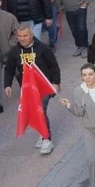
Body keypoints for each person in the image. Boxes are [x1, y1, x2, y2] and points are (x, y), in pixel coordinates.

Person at [4, 26, 61, 154]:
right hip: (28, 89)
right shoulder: (14, 52)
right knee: (35, 111)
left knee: (41, 110)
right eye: (20, 36)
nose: (22, 39)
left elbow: (54, 66)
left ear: (31, 35)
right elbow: (9, 69)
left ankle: (47, 138)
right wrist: (7, 85)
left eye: (25, 36)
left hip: (43, 86)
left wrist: (56, 82)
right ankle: (42, 134)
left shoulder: (43, 48)